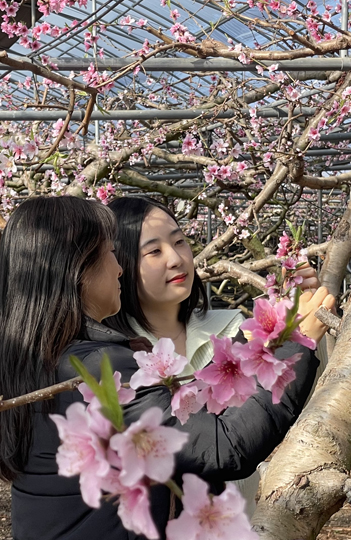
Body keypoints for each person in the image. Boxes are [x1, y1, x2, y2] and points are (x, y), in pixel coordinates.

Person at [0, 196, 334, 540]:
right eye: (110, 252)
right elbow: (222, 448)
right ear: (77, 269)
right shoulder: (100, 366)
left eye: (180, 241)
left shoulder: (31, 359)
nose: (118, 266)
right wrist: (292, 344)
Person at [102, 196, 330, 513]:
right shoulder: (117, 358)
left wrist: (296, 328)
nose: (176, 258)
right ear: (118, 267)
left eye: (180, 241)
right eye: (154, 251)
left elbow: (292, 406)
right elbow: (214, 446)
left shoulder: (230, 327)